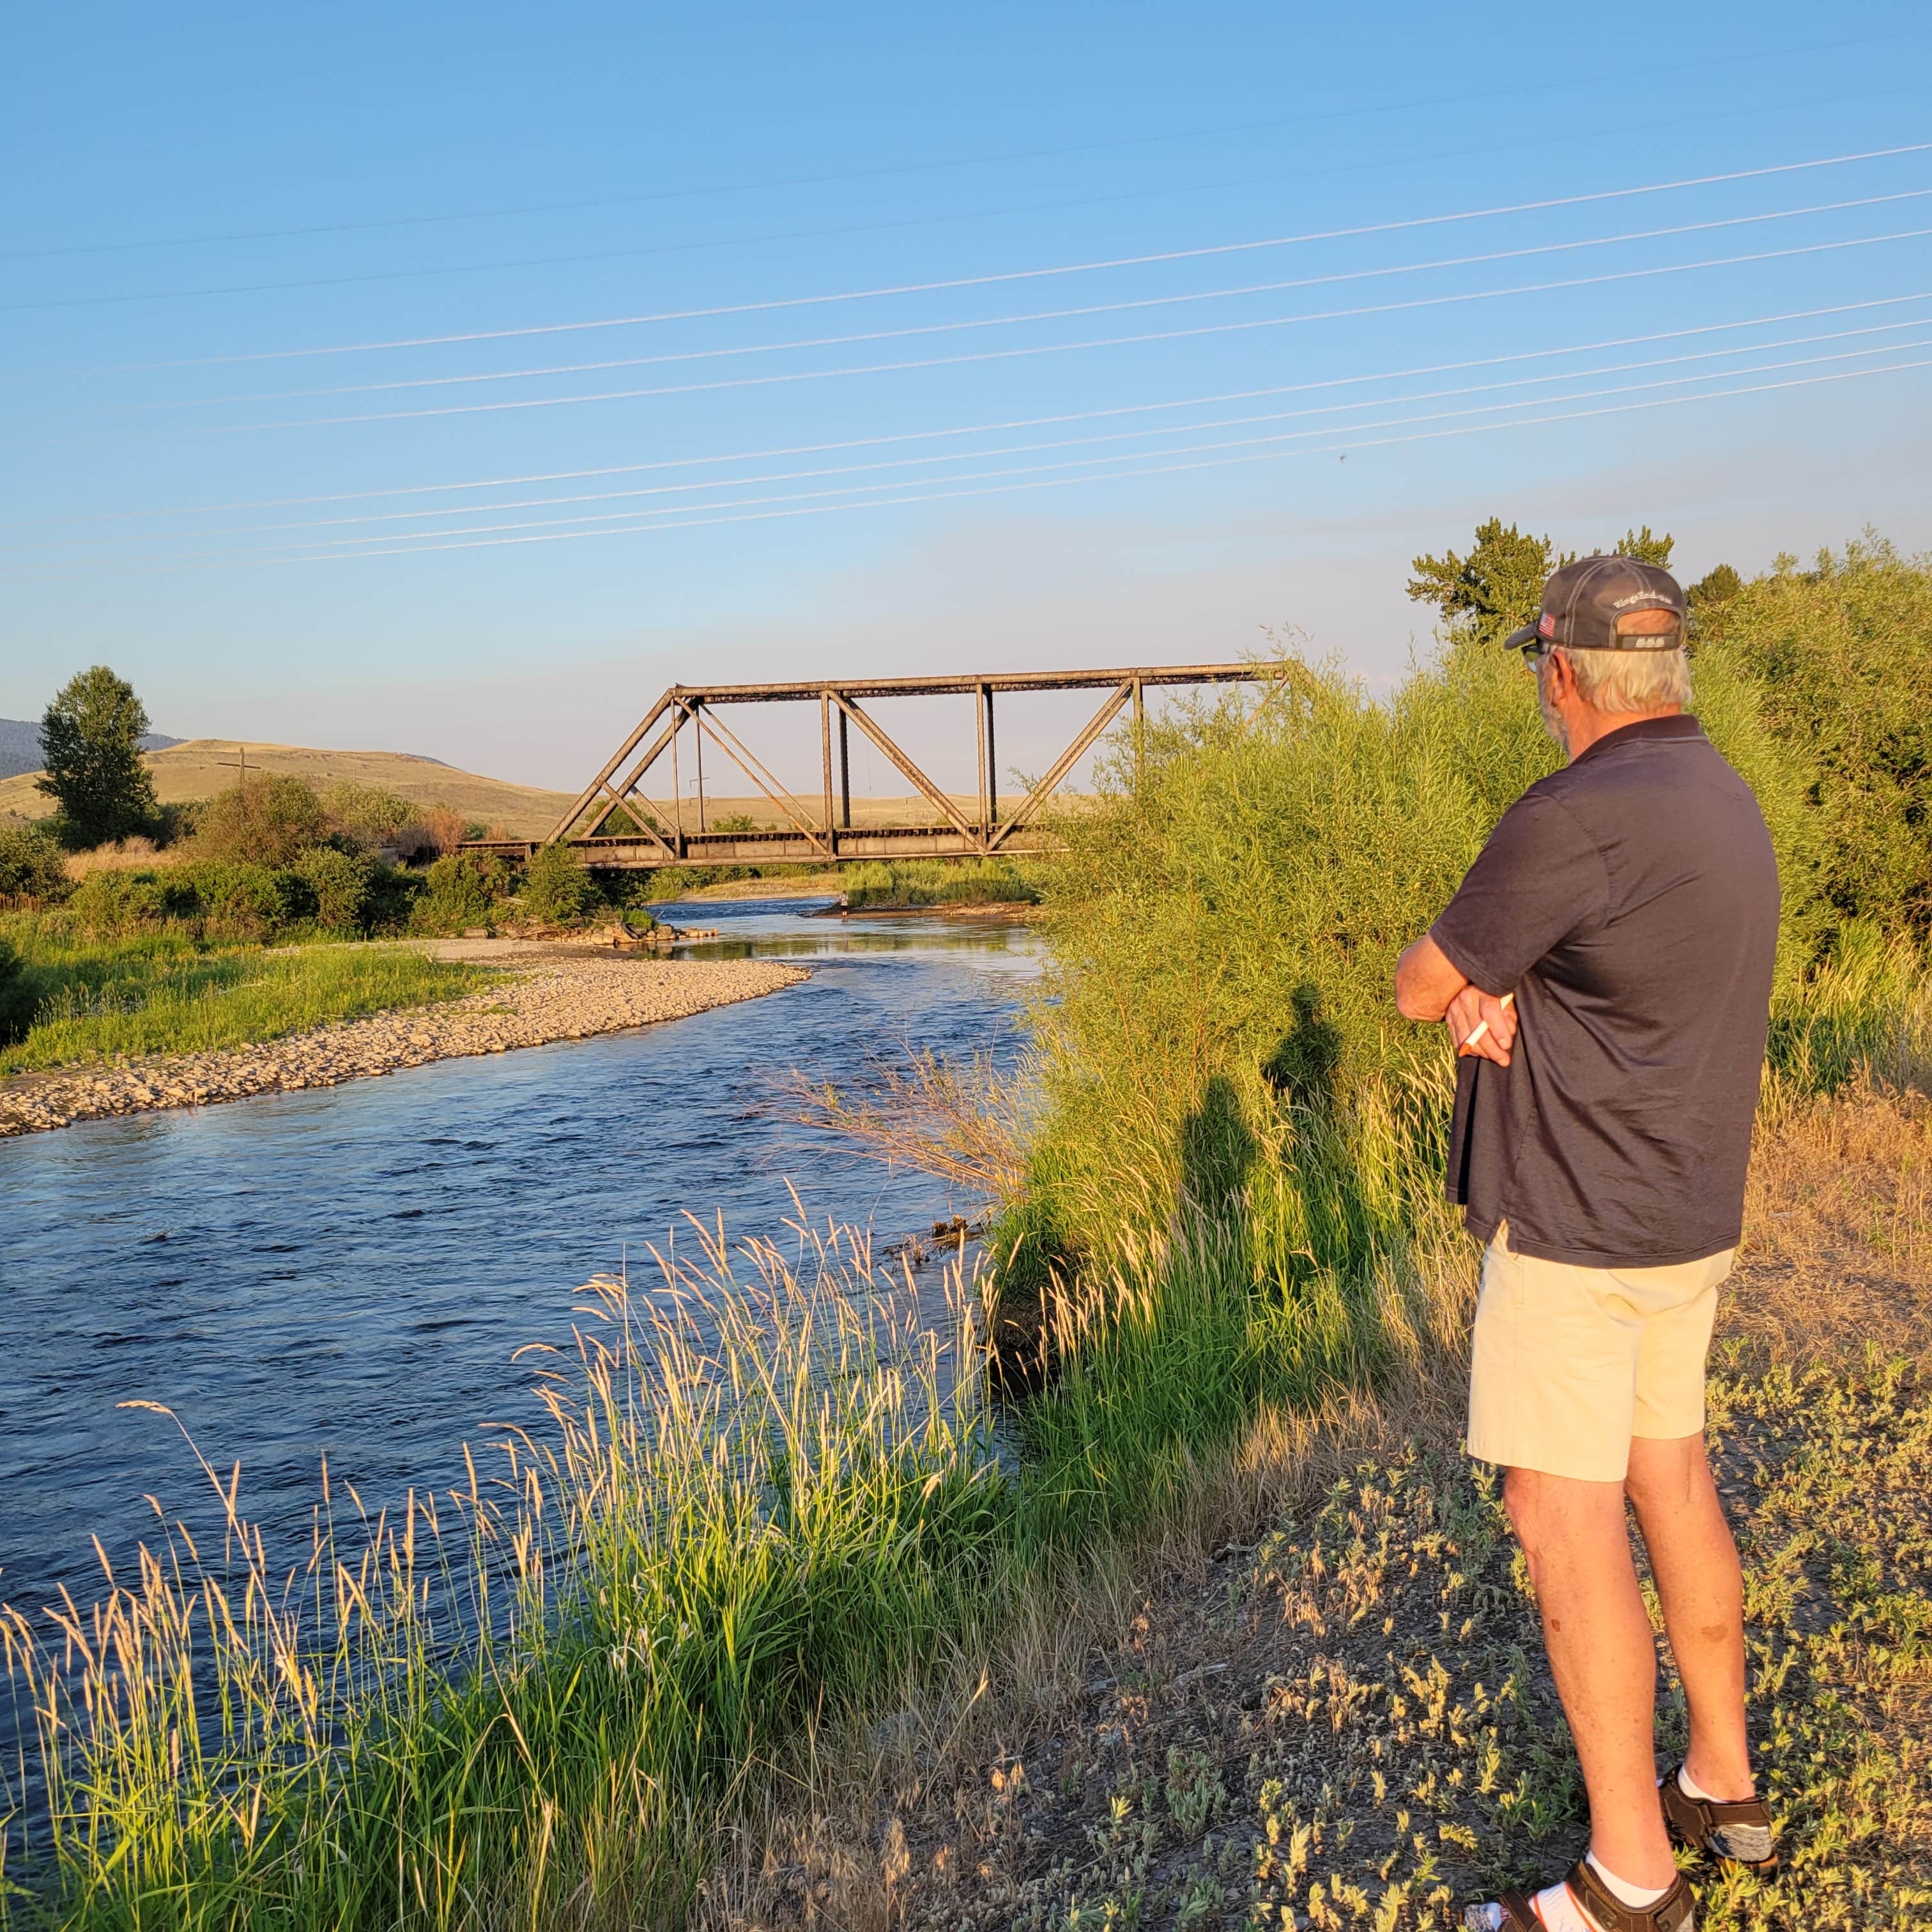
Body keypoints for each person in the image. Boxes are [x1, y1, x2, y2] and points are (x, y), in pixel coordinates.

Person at [1393, 556, 1782, 1932]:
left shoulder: (1573, 815)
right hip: (1689, 1217)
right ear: (1668, 671)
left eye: (1535, 670)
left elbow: (1419, 980)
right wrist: (1515, 1002)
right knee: (1668, 1473)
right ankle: (1724, 1789)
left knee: (1565, 1523)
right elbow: (1631, 988)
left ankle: (1631, 1878)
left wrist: (1474, 1000)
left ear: (1562, 670)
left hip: (1577, 1229)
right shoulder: (1720, 796)